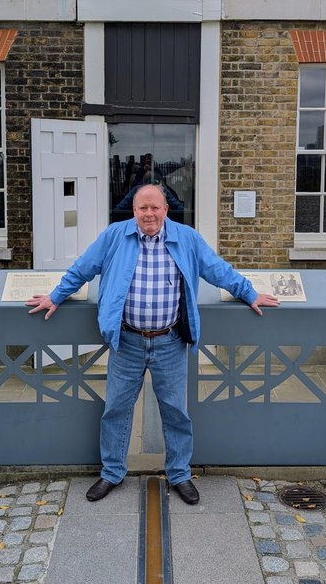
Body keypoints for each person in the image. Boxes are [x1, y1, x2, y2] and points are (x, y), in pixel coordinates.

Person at [26, 184, 279, 505]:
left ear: (166, 209)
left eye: (155, 208)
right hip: (127, 340)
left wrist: (250, 292)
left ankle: (180, 474)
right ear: (133, 211)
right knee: (116, 409)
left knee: (175, 411)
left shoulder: (185, 238)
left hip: (170, 341)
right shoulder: (115, 236)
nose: (149, 214)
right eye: (142, 208)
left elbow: (218, 270)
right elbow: (82, 269)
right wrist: (55, 296)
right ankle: (112, 472)